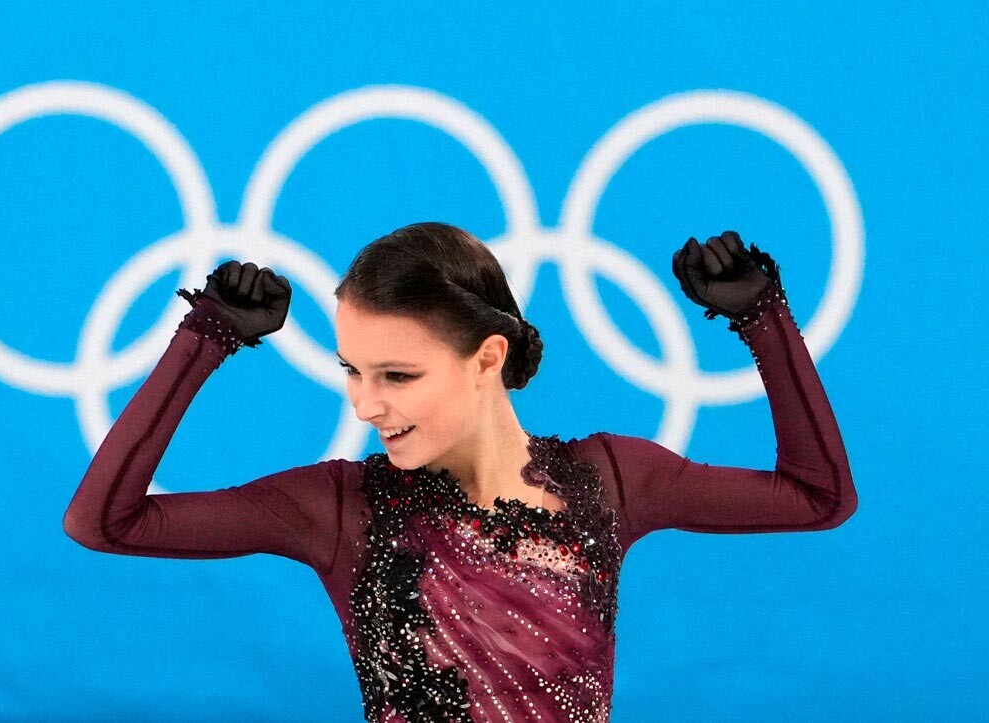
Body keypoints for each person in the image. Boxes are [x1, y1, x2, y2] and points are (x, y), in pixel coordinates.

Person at [63, 223, 857, 722]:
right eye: (352, 370)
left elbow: (819, 498)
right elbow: (106, 521)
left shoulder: (610, 479)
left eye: (397, 375)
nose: (367, 403)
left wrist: (763, 318)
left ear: (486, 357)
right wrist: (206, 337)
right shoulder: (340, 507)